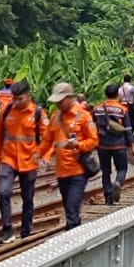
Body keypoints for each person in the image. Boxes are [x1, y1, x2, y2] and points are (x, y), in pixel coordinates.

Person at [0, 79, 46, 243]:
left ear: (28, 96)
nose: (16, 102)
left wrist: (42, 154)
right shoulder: (7, 111)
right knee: (2, 192)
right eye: (14, 98)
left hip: (29, 161)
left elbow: (48, 137)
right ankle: (7, 229)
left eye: (20, 99)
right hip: (9, 159)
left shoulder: (37, 113)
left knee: (27, 198)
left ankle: (26, 230)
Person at [43, 82, 99, 230]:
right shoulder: (55, 117)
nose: (58, 105)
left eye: (60, 101)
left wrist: (79, 145)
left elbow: (94, 140)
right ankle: (76, 232)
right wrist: (41, 155)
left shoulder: (83, 116)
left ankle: (71, 239)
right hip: (62, 172)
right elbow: (47, 140)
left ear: (69, 98)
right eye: (56, 102)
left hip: (78, 171)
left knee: (72, 210)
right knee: (69, 208)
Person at [92, 81, 134, 204]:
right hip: (119, 144)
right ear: (117, 94)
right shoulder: (122, 109)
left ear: (106, 94)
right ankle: (118, 182)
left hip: (103, 145)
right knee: (122, 169)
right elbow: (128, 129)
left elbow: (89, 124)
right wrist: (132, 145)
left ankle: (108, 197)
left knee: (105, 171)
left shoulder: (97, 108)